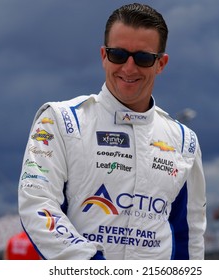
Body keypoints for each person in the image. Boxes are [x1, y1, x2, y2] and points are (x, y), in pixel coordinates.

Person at [18, 3, 206, 260]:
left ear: (161, 63)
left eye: (142, 58)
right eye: (118, 54)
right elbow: (38, 204)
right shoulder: (60, 121)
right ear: (104, 55)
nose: (129, 68)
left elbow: (190, 235)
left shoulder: (184, 141)